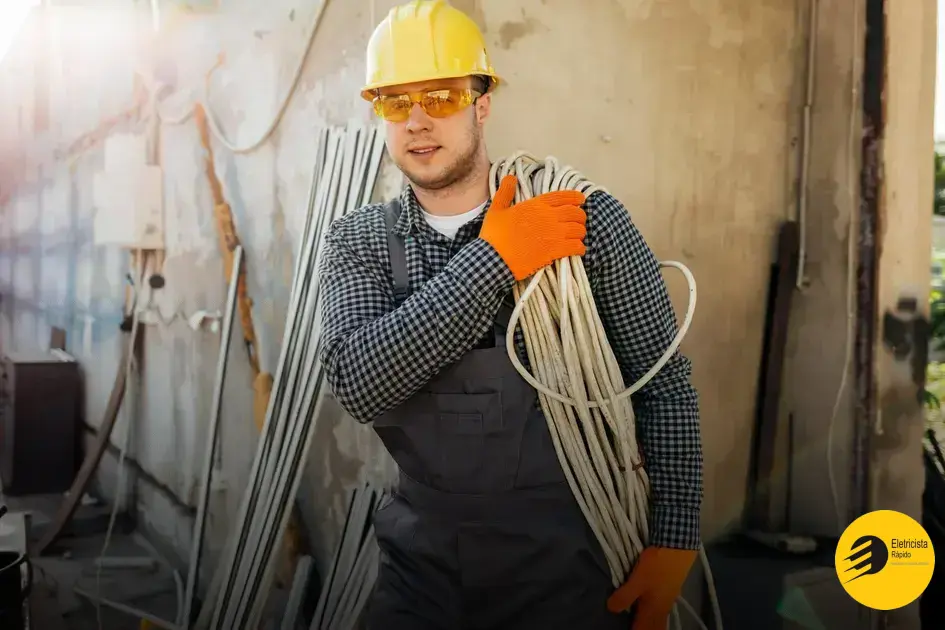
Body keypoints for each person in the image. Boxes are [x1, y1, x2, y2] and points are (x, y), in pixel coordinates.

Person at [317, 1, 704, 628]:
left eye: (440, 95)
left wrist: (676, 538)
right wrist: (496, 259)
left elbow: (662, 384)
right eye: (395, 102)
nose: (417, 121)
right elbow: (361, 383)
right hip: (421, 566)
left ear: (482, 103)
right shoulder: (359, 241)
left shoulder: (582, 222)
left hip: (570, 565)